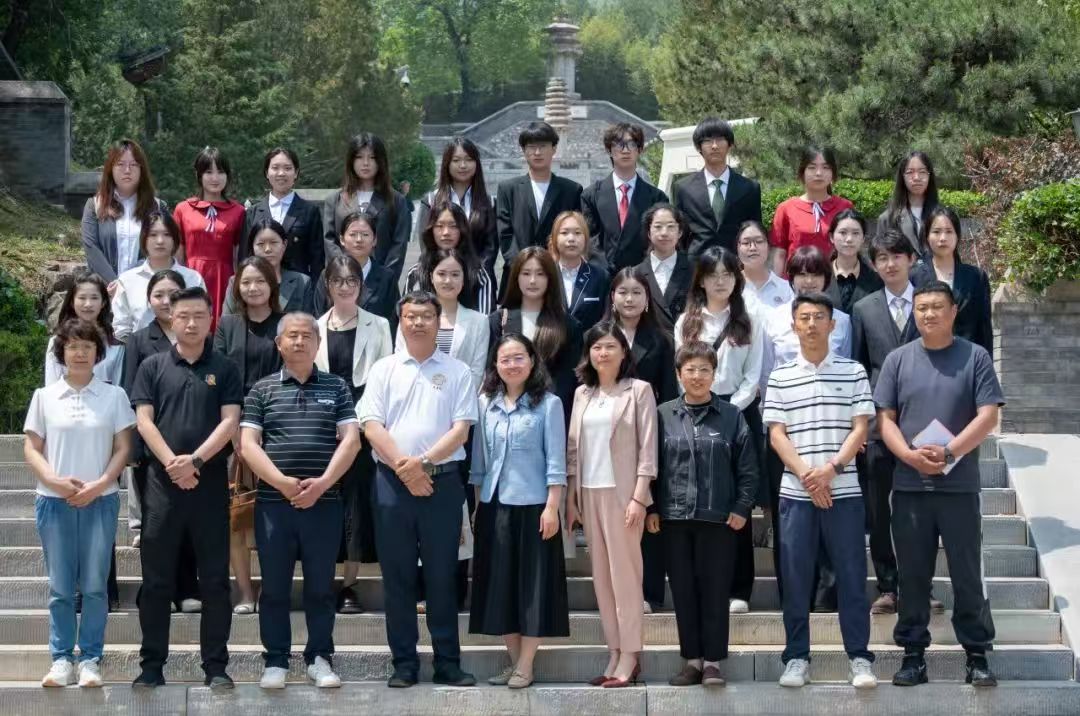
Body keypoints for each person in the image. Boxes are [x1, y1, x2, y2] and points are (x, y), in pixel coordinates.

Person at [874, 281, 1003, 689]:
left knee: (967, 573)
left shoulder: (975, 356)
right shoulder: (897, 360)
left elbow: (988, 416)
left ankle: (977, 654)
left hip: (959, 487)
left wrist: (949, 453)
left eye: (936, 307)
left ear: (953, 311)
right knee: (912, 576)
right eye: (921, 308)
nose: (928, 314)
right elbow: (885, 420)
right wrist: (909, 456)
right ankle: (913, 655)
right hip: (910, 487)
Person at [358, 291, 479, 688]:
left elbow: (461, 430)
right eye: (411, 316)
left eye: (426, 316)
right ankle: (404, 664)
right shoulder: (384, 369)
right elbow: (371, 426)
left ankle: (448, 663)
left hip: (442, 484)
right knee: (398, 577)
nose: (418, 323)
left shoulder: (458, 371)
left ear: (438, 322)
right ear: (401, 320)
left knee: (443, 576)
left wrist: (422, 464)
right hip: (391, 484)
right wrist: (406, 469)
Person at [239, 312, 361, 689]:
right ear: (279, 344)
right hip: (274, 505)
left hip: (324, 503)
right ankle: (276, 660)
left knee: (321, 587)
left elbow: (352, 440)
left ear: (318, 343)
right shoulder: (261, 390)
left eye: (307, 336)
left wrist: (321, 485)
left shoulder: (337, 387)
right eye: (291, 336)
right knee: (274, 587)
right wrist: (282, 484)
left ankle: (319, 657)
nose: (299, 341)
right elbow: (248, 445)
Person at [762, 292, 876, 690]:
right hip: (795, 494)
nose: (811, 324)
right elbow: (777, 435)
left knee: (851, 576)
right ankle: (796, 657)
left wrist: (830, 470)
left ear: (833, 324)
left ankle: (859, 658)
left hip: (844, 491)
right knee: (795, 579)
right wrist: (808, 477)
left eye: (819, 317)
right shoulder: (780, 376)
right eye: (805, 317)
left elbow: (860, 428)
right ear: (793, 325)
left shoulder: (853, 371)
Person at [129, 286, 241, 691]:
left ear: (211, 319)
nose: (191, 323)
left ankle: (216, 666)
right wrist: (173, 464)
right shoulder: (153, 366)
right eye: (183, 316)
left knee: (214, 581)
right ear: (170, 319)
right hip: (161, 487)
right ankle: (151, 666)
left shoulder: (225, 367)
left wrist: (194, 462)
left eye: (199, 315)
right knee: (157, 581)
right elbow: (144, 421)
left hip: (209, 485)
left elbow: (230, 422)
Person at [26, 318, 135, 689]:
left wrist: (102, 483)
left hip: (100, 501)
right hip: (53, 502)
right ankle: (60, 658)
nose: (80, 353)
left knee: (93, 586)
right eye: (73, 346)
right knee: (60, 587)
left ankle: (90, 658)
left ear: (97, 353)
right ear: (62, 352)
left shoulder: (113, 396)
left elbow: (123, 447)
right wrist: (54, 481)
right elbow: (32, 448)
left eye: (87, 346)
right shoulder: (44, 397)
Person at [651, 341, 758, 687]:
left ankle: (712, 662)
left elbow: (748, 467)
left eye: (704, 370)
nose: (697, 376)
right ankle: (692, 661)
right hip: (674, 519)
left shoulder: (731, 416)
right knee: (683, 591)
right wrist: (651, 507)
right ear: (679, 374)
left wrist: (742, 506)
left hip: (719, 519)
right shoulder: (662, 414)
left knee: (715, 591)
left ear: (714, 374)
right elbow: (650, 465)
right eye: (690, 370)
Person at [469, 334, 569, 688]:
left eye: (518, 357)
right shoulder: (486, 404)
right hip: (495, 506)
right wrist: (478, 506)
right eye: (504, 359)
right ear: (495, 365)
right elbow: (479, 463)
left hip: (535, 507)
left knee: (533, 588)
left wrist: (552, 507)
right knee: (501, 586)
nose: (512, 364)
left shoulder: (549, 404)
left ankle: (526, 665)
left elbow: (556, 462)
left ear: (532, 361)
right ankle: (515, 663)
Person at [565, 321, 658, 688]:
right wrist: (572, 497)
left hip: (624, 496)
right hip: (589, 492)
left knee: (626, 578)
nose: (603, 353)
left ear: (623, 352)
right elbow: (574, 449)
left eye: (610, 346)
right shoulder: (582, 394)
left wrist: (639, 497)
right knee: (602, 579)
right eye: (596, 347)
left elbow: (648, 450)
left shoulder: (639, 391)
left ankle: (631, 654)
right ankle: (614, 650)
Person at [759, 247, 852, 608]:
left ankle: (828, 598)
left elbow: (848, 370)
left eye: (815, 273)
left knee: (830, 507)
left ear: (826, 278)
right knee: (791, 517)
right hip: (786, 427)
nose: (808, 280)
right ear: (791, 277)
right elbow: (766, 375)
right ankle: (793, 597)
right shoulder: (772, 319)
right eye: (800, 273)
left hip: (831, 427)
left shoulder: (842, 320)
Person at [674, 247, 765, 615]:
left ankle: (739, 588)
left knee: (737, 500)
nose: (721, 281)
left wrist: (728, 410)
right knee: (703, 496)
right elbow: (682, 372)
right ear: (701, 280)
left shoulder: (749, 319)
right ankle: (704, 583)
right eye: (713, 275)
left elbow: (753, 376)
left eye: (728, 274)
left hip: (738, 412)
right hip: (695, 411)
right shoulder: (687, 322)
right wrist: (702, 403)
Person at [851, 230, 937, 616]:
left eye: (896, 256)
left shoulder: (929, 305)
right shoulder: (864, 308)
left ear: (911, 259)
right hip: (876, 423)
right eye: (882, 258)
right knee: (878, 509)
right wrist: (858, 424)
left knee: (921, 509)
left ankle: (921, 586)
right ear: (874, 264)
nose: (889, 264)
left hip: (923, 421)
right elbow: (857, 366)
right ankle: (887, 585)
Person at [314, 256, 393, 613]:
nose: (345, 287)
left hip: (363, 426)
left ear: (361, 285)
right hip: (323, 426)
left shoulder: (379, 325)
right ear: (327, 285)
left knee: (355, 508)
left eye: (352, 281)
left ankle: (349, 584)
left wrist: (358, 423)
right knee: (325, 504)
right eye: (338, 280)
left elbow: (384, 379)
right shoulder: (315, 326)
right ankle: (322, 580)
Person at [122, 271, 202, 616]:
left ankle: (187, 587)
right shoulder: (140, 341)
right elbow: (129, 393)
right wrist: (136, 449)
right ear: (149, 300)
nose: (166, 301)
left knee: (189, 523)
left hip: (193, 448)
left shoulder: (199, 338)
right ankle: (157, 587)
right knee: (155, 526)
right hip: (151, 449)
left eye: (173, 294)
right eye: (159, 295)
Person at [213, 257, 285, 613]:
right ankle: (244, 590)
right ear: (236, 288)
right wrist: (236, 431)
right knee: (235, 517)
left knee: (276, 516)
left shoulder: (286, 324)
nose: (253, 288)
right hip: (232, 430)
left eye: (260, 281)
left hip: (278, 429)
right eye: (246, 282)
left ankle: (272, 589)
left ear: (272, 284)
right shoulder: (227, 325)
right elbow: (218, 378)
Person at [604, 266, 677, 613]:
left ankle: (649, 591)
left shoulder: (661, 339)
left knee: (648, 513)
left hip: (648, 434)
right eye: (623, 292)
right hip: (606, 435)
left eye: (636, 293)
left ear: (647, 299)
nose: (629, 299)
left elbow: (669, 394)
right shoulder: (599, 337)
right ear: (612, 298)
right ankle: (616, 591)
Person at [490, 247, 583, 428]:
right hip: (505, 416)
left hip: (548, 416)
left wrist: (541, 408)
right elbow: (492, 370)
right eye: (526, 273)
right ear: (516, 277)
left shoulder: (569, 325)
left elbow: (567, 379)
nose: (532, 281)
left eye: (540, 274)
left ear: (550, 278)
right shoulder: (499, 320)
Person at [496, 121, 584, 292]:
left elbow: (575, 233)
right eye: (531, 147)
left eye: (543, 146)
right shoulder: (508, 189)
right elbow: (505, 234)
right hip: (517, 277)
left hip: (559, 277)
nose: (537, 152)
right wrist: (523, 268)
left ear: (554, 149)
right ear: (524, 151)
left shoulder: (572, 190)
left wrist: (553, 266)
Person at [323, 133, 412, 284]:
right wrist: (344, 273)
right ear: (351, 161)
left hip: (381, 283)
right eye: (359, 157)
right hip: (342, 283)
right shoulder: (335, 200)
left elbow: (399, 245)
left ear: (381, 161)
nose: (365, 163)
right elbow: (329, 241)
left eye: (372, 157)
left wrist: (384, 280)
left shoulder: (396, 201)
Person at [581, 122, 669, 273]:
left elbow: (658, 239)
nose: (626, 150)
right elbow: (590, 239)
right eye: (619, 144)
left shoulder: (656, 197)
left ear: (640, 150)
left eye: (632, 144)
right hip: (602, 275)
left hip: (642, 275)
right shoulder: (591, 195)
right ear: (609, 150)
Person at [396, 249, 489, 391]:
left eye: (455, 274)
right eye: (441, 274)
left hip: (459, 399)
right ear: (431, 277)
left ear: (464, 279)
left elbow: (477, 373)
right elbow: (401, 362)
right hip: (414, 395)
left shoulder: (479, 322)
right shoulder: (411, 317)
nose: (448, 280)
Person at [172, 147, 246, 325]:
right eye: (209, 172)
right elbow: (178, 253)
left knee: (222, 326)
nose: (215, 178)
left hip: (224, 278)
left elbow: (238, 255)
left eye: (220, 172)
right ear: (199, 175)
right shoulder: (183, 209)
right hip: (191, 275)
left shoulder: (239, 211)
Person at [672, 117, 762, 259]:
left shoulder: (750, 188)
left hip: (736, 262)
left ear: (730, 145)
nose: (714, 146)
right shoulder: (683, 188)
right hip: (696, 264)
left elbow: (755, 231)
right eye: (708, 141)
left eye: (720, 139)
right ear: (699, 147)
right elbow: (679, 233)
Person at [81, 138, 167, 286]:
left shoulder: (158, 207)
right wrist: (115, 285)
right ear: (110, 168)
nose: (127, 170)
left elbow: (162, 248)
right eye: (120, 164)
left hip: (145, 289)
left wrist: (131, 283)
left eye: (133, 164)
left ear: (142, 169)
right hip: (105, 291)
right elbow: (91, 248)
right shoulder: (94, 206)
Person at [910, 206, 993, 357]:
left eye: (949, 231)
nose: (943, 238)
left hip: (967, 360)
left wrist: (985, 364)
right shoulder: (914, 277)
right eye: (936, 232)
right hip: (926, 359)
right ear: (927, 236)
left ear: (957, 236)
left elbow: (984, 328)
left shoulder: (976, 277)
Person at [418, 138, 500, 288]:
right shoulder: (431, 201)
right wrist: (444, 273)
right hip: (441, 282)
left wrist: (473, 276)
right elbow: (426, 244)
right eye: (456, 160)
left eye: (469, 160)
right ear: (447, 164)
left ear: (477, 163)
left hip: (478, 282)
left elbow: (490, 249)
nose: (463, 165)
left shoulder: (489, 203)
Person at [112, 211, 206, 341]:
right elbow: (121, 327)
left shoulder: (193, 278)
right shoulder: (128, 280)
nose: (160, 241)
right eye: (153, 235)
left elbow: (202, 319)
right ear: (144, 238)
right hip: (140, 350)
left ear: (175, 239)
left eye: (167, 234)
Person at [241, 147, 325, 280]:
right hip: (260, 285)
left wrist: (314, 290)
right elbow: (245, 256)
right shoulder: (253, 212)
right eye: (275, 168)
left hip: (298, 287)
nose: (281, 173)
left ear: (296, 173)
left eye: (287, 168)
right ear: (267, 173)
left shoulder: (310, 212)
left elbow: (317, 260)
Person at [769, 147, 854, 276]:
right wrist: (777, 284)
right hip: (796, 282)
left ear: (833, 173)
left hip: (835, 282)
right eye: (812, 167)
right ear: (802, 172)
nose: (819, 173)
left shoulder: (845, 207)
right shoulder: (786, 208)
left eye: (825, 167)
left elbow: (852, 249)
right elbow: (780, 254)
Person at [313, 211, 400, 331]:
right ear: (342, 239)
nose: (359, 240)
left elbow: (393, 321)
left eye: (365, 234)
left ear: (374, 240)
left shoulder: (387, 277)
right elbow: (319, 316)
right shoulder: (328, 274)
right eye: (353, 234)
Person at [405, 202, 497, 316]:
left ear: (462, 230)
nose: (446, 232)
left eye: (453, 226)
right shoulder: (415, 273)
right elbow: (407, 319)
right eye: (439, 226)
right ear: (431, 230)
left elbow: (485, 321)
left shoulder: (479, 275)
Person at [46, 272, 125, 388]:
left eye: (94, 298)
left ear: (103, 302)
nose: (88, 304)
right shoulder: (58, 342)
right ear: (72, 302)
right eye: (82, 298)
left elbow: (118, 388)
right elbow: (51, 388)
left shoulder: (116, 345)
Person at [223, 219, 314, 317]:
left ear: (284, 245)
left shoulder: (302, 282)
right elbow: (227, 322)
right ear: (252, 246)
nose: (268, 249)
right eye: (261, 244)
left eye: (273, 243)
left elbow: (307, 322)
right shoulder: (236, 282)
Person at [548, 210, 611, 334]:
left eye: (577, 233)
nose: (571, 239)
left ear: (586, 239)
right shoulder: (546, 275)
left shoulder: (601, 277)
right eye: (564, 233)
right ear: (555, 239)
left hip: (589, 344)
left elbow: (606, 317)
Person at [635, 203, 692, 335]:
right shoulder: (635, 274)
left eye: (671, 227)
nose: (664, 233)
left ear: (680, 232)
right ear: (649, 233)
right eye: (658, 227)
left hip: (684, 342)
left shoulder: (694, 271)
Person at [876, 151, 939, 259]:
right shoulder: (888, 218)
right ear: (902, 177)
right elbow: (881, 257)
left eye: (922, 172)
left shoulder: (942, 216)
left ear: (929, 175)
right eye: (910, 172)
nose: (916, 177)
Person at [825, 209, 883, 315]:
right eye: (843, 233)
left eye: (856, 233)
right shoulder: (820, 276)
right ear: (831, 237)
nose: (849, 239)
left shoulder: (877, 279)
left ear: (863, 238)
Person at [737, 220, 793, 311]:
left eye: (759, 241)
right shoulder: (729, 287)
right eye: (746, 243)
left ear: (768, 247)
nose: (753, 248)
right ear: (737, 248)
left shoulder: (785, 289)